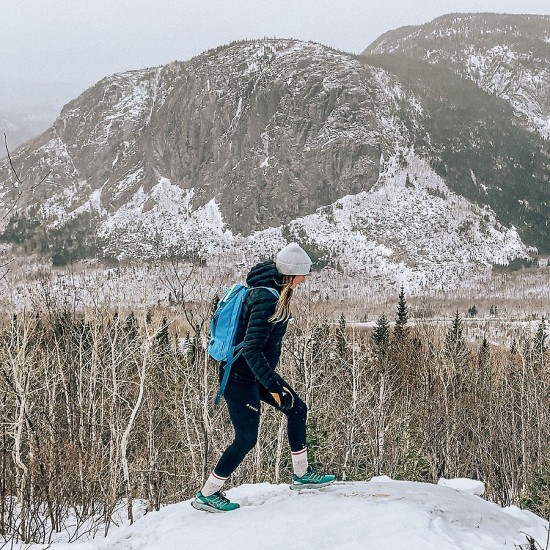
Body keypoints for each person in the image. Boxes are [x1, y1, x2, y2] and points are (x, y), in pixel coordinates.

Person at [192, 243, 335, 513]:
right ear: (291, 274)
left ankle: (302, 476)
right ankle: (207, 494)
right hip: (240, 378)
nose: (304, 280)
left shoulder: (269, 292)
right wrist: (272, 385)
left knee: (297, 408)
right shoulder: (267, 299)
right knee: (246, 438)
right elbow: (251, 348)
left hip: (253, 374)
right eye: (302, 275)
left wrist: (268, 380)